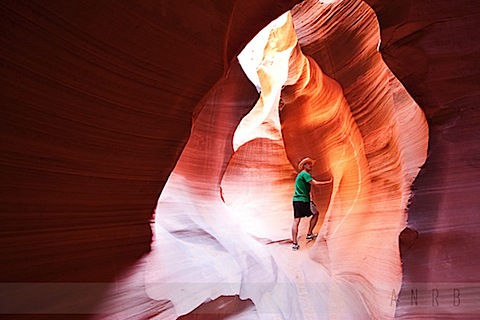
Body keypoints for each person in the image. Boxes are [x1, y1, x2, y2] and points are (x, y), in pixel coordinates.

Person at [291, 157, 332, 251]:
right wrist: (329, 182)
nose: (311, 165)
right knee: (316, 213)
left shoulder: (300, 175)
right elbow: (315, 184)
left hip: (296, 200)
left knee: (296, 221)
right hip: (303, 200)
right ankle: (309, 234)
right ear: (304, 166)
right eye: (309, 164)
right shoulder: (305, 174)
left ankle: (294, 244)